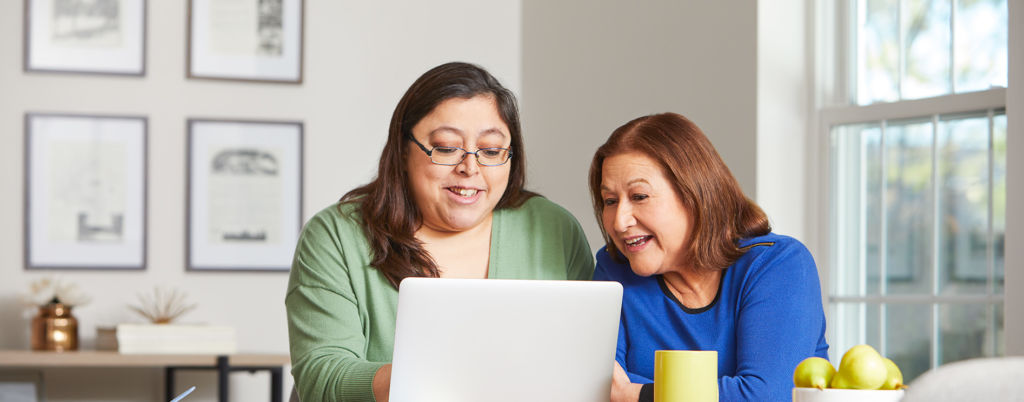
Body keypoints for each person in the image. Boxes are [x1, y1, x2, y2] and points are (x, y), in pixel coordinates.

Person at [285, 62, 594, 402]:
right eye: (446, 147)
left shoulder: (552, 228)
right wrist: (443, 372)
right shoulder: (336, 236)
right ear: (403, 150)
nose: (470, 168)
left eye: (491, 151)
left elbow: (585, 362)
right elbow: (322, 380)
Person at [590, 113, 829, 402]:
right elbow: (598, 388)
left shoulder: (779, 265)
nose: (619, 222)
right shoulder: (613, 269)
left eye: (639, 196)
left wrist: (636, 393)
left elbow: (767, 396)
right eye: (610, 201)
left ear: (695, 194)